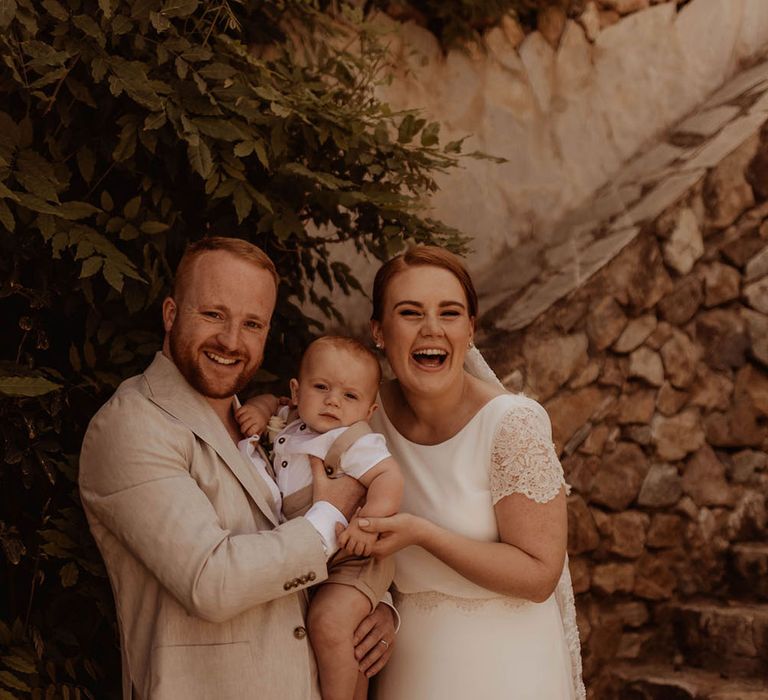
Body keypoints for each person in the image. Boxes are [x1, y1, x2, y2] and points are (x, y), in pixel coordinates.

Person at [78, 237, 396, 700]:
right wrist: (331, 516)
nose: (231, 340)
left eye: (252, 324)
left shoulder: (272, 425)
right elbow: (212, 582)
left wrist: (373, 605)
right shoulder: (132, 425)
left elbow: (290, 541)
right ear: (171, 313)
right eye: (213, 314)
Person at [346, 245, 585, 699]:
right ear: (379, 330)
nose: (431, 329)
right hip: (407, 670)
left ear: (470, 328)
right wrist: (380, 602)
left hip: (508, 669)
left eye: (450, 313)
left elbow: (539, 575)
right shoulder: (362, 419)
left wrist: (422, 533)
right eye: (410, 312)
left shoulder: (512, 424)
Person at [235, 335, 403, 700]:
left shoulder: (356, 440)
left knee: (329, 624)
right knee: (342, 639)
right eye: (322, 387)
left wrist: (366, 522)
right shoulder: (289, 420)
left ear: (369, 411)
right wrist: (260, 410)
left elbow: (389, 478)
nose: (332, 401)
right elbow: (273, 402)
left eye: (350, 396)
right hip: (311, 558)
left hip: (352, 558)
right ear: (297, 391)